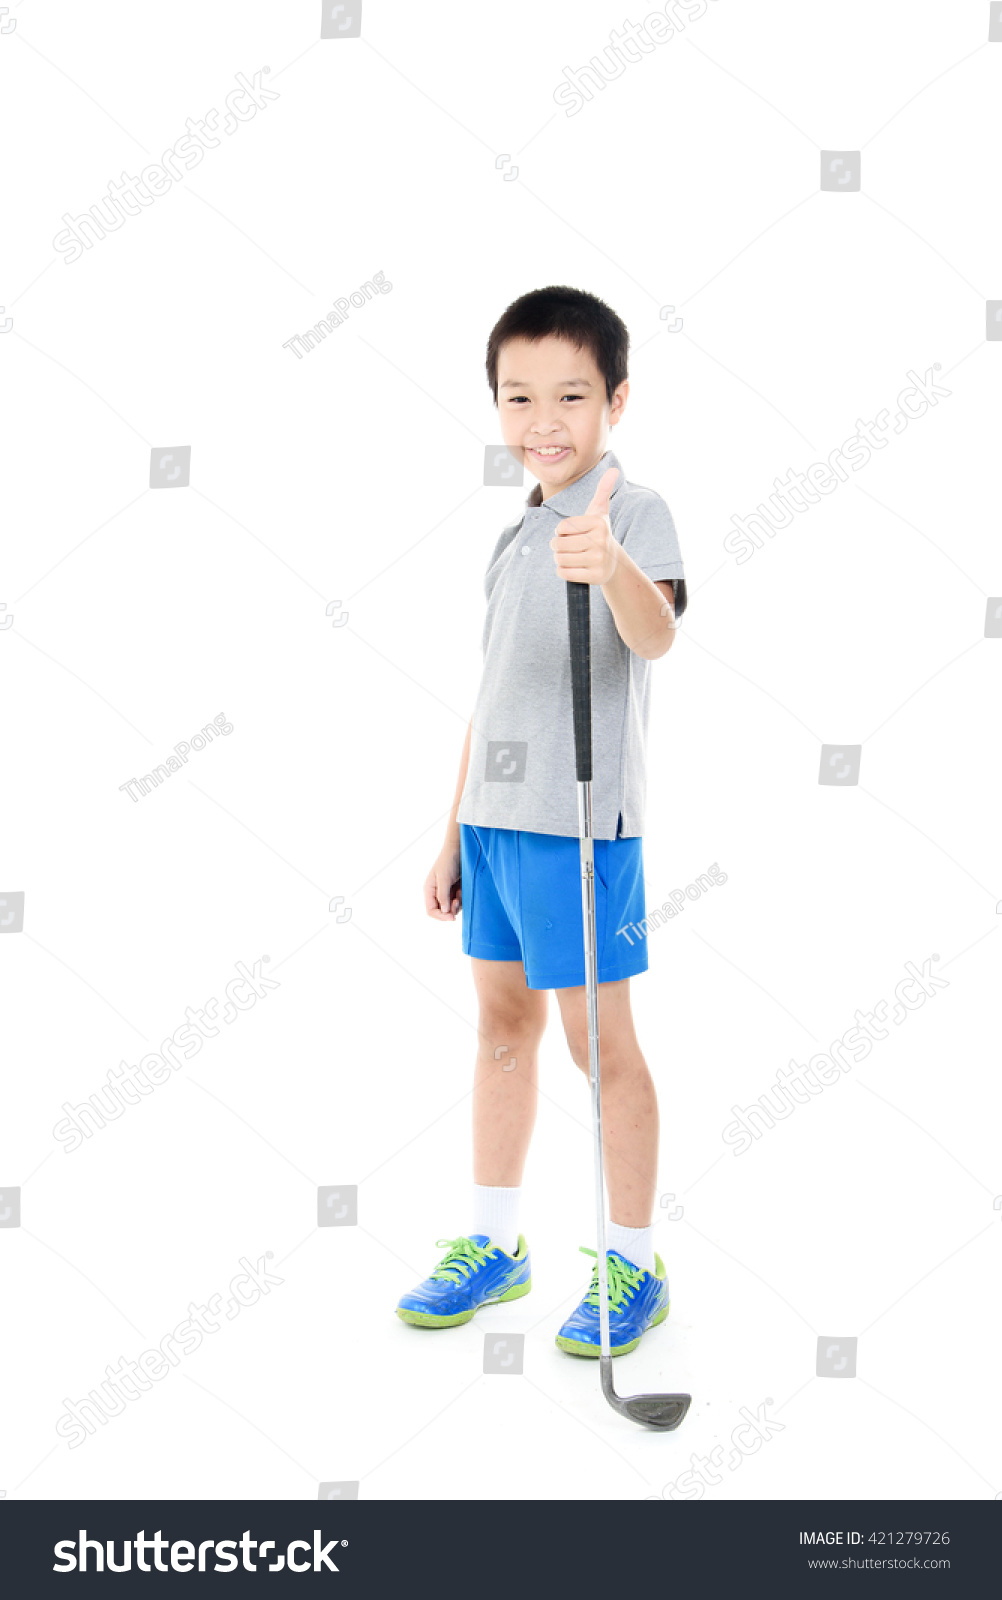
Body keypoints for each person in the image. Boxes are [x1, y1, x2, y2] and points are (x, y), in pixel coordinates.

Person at [396, 285, 688, 1358]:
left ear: (616, 398)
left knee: (597, 1044)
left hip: (581, 833)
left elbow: (655, 637)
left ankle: (632, 1260)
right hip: (496, 828)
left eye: (571, 394)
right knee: (503, 1030)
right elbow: (492, 695)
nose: (544, 419)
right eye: (519, 397)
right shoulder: (515, 527)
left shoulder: (633, 509)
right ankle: (497, 1245)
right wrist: (451, 830)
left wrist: (609, 564)